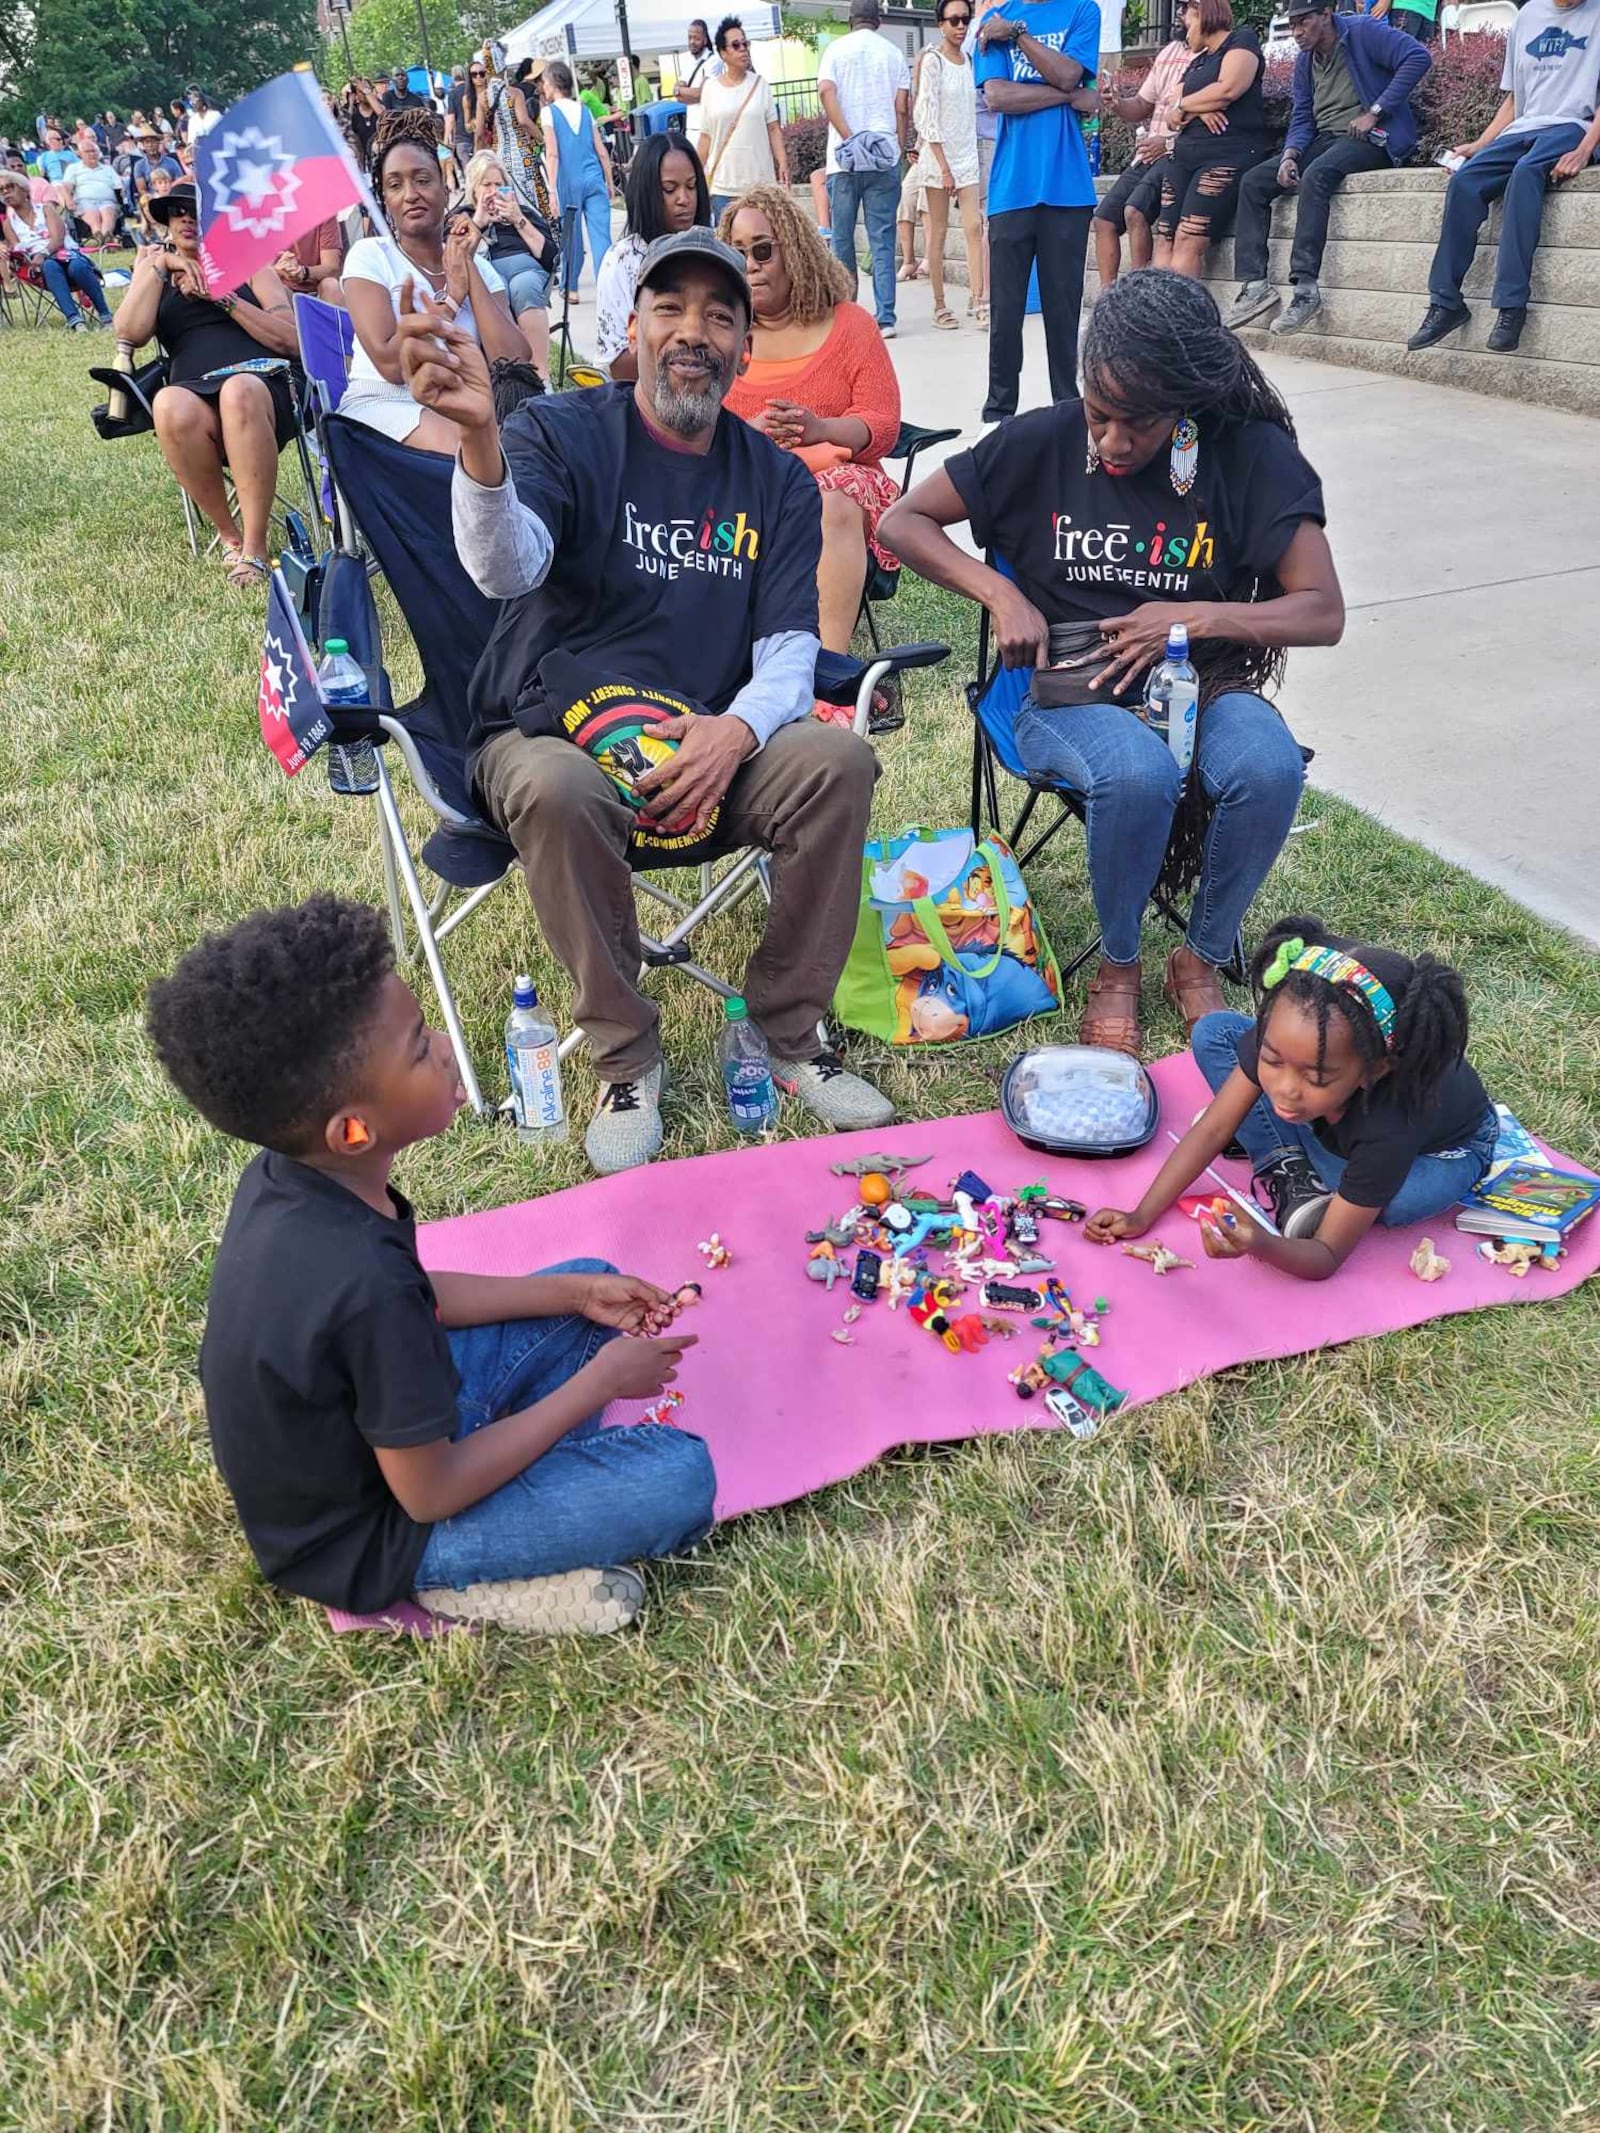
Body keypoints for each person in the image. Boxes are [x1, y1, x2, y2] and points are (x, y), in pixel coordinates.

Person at [394, 224, 895, 1171]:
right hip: (551, 732)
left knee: (836, 759)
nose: (692, 332)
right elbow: (507, 567)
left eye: (718, 314)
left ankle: (785, 1035)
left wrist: (736, 732)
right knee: (555, 786)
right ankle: (626, 1055)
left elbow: (792, 651)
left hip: (707, 747)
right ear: (635, 326)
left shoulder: (779, 482)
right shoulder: (562, 430)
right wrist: (480, 446)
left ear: (746, 348)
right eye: (670, 308)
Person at [146, 896, 714, 1638]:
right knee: (679, 1476)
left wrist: (575, 1292)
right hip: (386, 1535)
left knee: (587, 1279)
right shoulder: (361, 1285)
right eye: (419, 1047)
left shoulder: (296, 1179)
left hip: (388, 1438)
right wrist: (597, 1386)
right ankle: (462, 1583)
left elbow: (419, 1299)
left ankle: (516, 1469)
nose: (446, 1046)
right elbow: (429, 1491)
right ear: (354, 1129)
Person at [880, 270, 1345, 1057]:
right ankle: (1120, 967)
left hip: (1201, 684)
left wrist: (1202, 616)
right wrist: (1001, 593)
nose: (1111, 442)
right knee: (1136, 771)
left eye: (1141, 423)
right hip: (1066, 689)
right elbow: (903, 521)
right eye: (1099, 415)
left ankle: (1197, 957)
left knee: (1267, 766)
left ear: (1185, 407)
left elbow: (1321, 610)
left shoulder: (1246, 455)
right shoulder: (1041, 441)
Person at [1085, 915, 1496, 1266]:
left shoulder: (1388, 1124)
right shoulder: (1298, 1038)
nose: (1284, 1089)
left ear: (1373, 1070)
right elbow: (1211, 1129)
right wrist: (1139, 1216)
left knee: (1398, 1201)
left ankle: (1278, 1154)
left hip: (1441, 1150)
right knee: (1213, 1032)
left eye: (1315, 1077)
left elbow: (1326, 1254)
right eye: (1273, 1058)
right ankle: (1288, 1153)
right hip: (1338, 1112)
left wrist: (1260, 1243)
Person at [721, 188, 902, 667]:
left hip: (839, 480)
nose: (751, 266)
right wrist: (750, 433)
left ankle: (827, 670)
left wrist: (821, 429)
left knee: (832, 501)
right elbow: (696, 431)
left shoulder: (850, 326)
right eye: (737, 254)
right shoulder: (722, 333)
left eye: (762, 250)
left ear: (794, 252)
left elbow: (883, 426)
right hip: (749, 484)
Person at [112, 180, 300, 585]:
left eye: (197, 211)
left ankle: (255, 548)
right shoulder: (156, 271)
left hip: (263, 388)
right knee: (167, 403)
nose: (186, 218)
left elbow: (291, 339)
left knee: (239, 389)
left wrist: (224, 297)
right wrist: (159, 267)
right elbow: (127, 333)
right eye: (177, 212)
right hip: (195, 397)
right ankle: (230, 537)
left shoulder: (252, 265)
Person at [1408, 0, 1600, 355]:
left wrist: (1586, 148)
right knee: (1465, 181)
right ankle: (1446, 302)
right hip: (1523, 128)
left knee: (1525, 173)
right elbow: (1516, 97)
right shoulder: (1529, 15)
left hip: (1574, 126)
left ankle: (1511, 306)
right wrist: (1481, 144)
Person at [1227, 0, 1429, 337]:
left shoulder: (1364, 31)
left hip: (1375, 139)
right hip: (1325, 139)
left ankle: (1306, 290)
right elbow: (1304, 116)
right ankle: (1255, 284)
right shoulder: (1305, 60)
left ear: (1325, 15)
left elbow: (1418, 57)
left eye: (1304, 22)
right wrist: (1290, 154)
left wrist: (1375, 111)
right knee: (1253, 182)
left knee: (1317, 175)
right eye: (1292, 25)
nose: (1297, 32)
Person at [340, 110, 526, 448]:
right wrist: (452, 299)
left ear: (445, 189)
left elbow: (514, 362)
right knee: (475, 448)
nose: (410, 193)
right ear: (385, 199)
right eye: (395, 185)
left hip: (465, 402)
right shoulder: (371, 257)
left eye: (423, 180)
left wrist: (467, 269)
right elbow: (391, 365)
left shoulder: (479, 267)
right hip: (388, 402)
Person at [974, 0, 1100, 420]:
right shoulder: (989, 22)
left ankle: (1068, 414)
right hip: (1012, 188)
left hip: (1067, 188)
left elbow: (1068, 72)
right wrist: (1069, 97)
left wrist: (1017, 35)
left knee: (1063, 316)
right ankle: (997, 417)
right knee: (1004, 316)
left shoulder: (1082, 10)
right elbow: (998, 96)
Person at [1154, 0, 1272, 280]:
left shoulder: (1241, 40)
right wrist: (1198, 108)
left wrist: (1187, 107)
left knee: (1187, 237)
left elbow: (1228, 89)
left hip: (1225, 155)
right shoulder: (1197, 62)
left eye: (1188, 23)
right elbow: (1172, 113)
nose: (1185, 34)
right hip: (1183, 157)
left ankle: (1182, 321)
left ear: (1203, 11)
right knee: (1164, 236)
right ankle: (1155, 318)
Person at [818, 0, 912, 336]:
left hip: (842, 160)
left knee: (842, 239)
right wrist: (898, 146)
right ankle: (885, 317)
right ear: (878, 20)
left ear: (850, 20)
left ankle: (847, 316)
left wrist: (848, 136)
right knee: (882, 239)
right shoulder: (893, 53)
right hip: (882, 156)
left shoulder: (835, 50)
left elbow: (826, 92)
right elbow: (902, 107)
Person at [1093, 0, 1193, 290]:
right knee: (1103, 220)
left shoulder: (1212, 57)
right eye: (1179, 6)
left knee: (1134, 211)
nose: (1178, 12)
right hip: (1148, 154)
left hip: (1176, 153)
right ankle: (1108, 301)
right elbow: (1140, 106)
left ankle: (1137, 301)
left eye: (1186, 7)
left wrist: (1169, 142)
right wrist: (1117, 103)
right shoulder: (1169, 52)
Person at [594, 133, 711, 377]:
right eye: (670, 189)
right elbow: (616, 363)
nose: (684, 199)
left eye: (691, 186)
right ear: (647, 192)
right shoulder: (623, 261)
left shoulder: (713, 252)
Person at [916, 0, 986, 328]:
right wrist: (943, 167)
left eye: (965, 20)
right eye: (954, 20)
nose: (960, 26)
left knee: (974, 226)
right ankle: (939, 304)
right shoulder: (932, 61)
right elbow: (925, 116)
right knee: (939, 233)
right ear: (940, 23)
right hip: (939, 156)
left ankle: (979, 298)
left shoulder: (969, 60)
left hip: (966, 155)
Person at [462, 148, 559, 374]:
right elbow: (457, 261)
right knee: (497, 289)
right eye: (487, 185)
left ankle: (540, 376)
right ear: (474, 189)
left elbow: (551, 258)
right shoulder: (464, 218)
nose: (494, 191)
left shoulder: (523, 213)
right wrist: (479, 222)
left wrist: (518, 220)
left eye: (499, 185)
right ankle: (508, 376)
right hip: (487, 277)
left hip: (527, 272)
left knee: (523, 286)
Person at [694, 16, 788, 220]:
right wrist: (694, 172)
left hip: (761, 186)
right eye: (736, 45)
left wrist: (782, 163)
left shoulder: (761, 85)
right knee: (728, 248)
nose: (743, 49)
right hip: (723, 187)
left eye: (745, 44)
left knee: (764, 245)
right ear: (723, 53)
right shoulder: (710, 88)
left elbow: (773, 129)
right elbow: (706, 137)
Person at [541, 59, 616, 301]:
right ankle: (607, 287)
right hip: (593, 177)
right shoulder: (584, 110)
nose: (542, 88)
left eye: (544, 83)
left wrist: (551, 190)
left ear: (552, 84)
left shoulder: (548, 113)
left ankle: (570, 288)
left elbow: (552, 153)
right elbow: (600, 149)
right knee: (601, 236)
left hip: (568, 180)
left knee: (571, 236)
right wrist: (610, 180)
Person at [0, 172, 115, 326]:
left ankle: (105, 315)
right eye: (1, 190)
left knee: (77, 266)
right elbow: (19, 250)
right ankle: (74, 319)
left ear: (24, 190)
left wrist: (43, 253)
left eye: (10, 187)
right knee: (50, 266)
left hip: (66, 254)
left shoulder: (46, 210)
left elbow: (58, 239)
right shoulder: (9, 224)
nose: (5, 192)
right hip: (40, 268)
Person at [61, 136, 123, 245]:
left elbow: (119, 187)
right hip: (84, 201)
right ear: (80, 154)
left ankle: (105, 238)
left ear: (98, 152)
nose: (91, 154)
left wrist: (123, 196)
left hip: (107, 200)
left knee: (108, 213)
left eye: (94, 151)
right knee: (94, 215)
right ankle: (100, 236)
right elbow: (66, 187)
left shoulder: (108, 169)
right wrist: (68, 200)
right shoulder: (74, 168)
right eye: (87, 152)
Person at [273, 216, 345, 306]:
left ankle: (335, 319)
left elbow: (332, 267)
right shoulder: (267, 217)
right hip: (282, 287)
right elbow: (257, 272)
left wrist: (304, 272)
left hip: (317, 288)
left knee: (330, 285)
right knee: (269, 287)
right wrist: (280, 270)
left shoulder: (324, 214)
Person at [678, 18, 723, 103]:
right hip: (691, 116)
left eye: (696, 38)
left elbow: (702, 93)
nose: (692, 42)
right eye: (690, 38)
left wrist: (679, 90)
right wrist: (686, 93)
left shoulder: (713, 60)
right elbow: (679, 98)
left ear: (705, 40)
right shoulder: (687, 59)